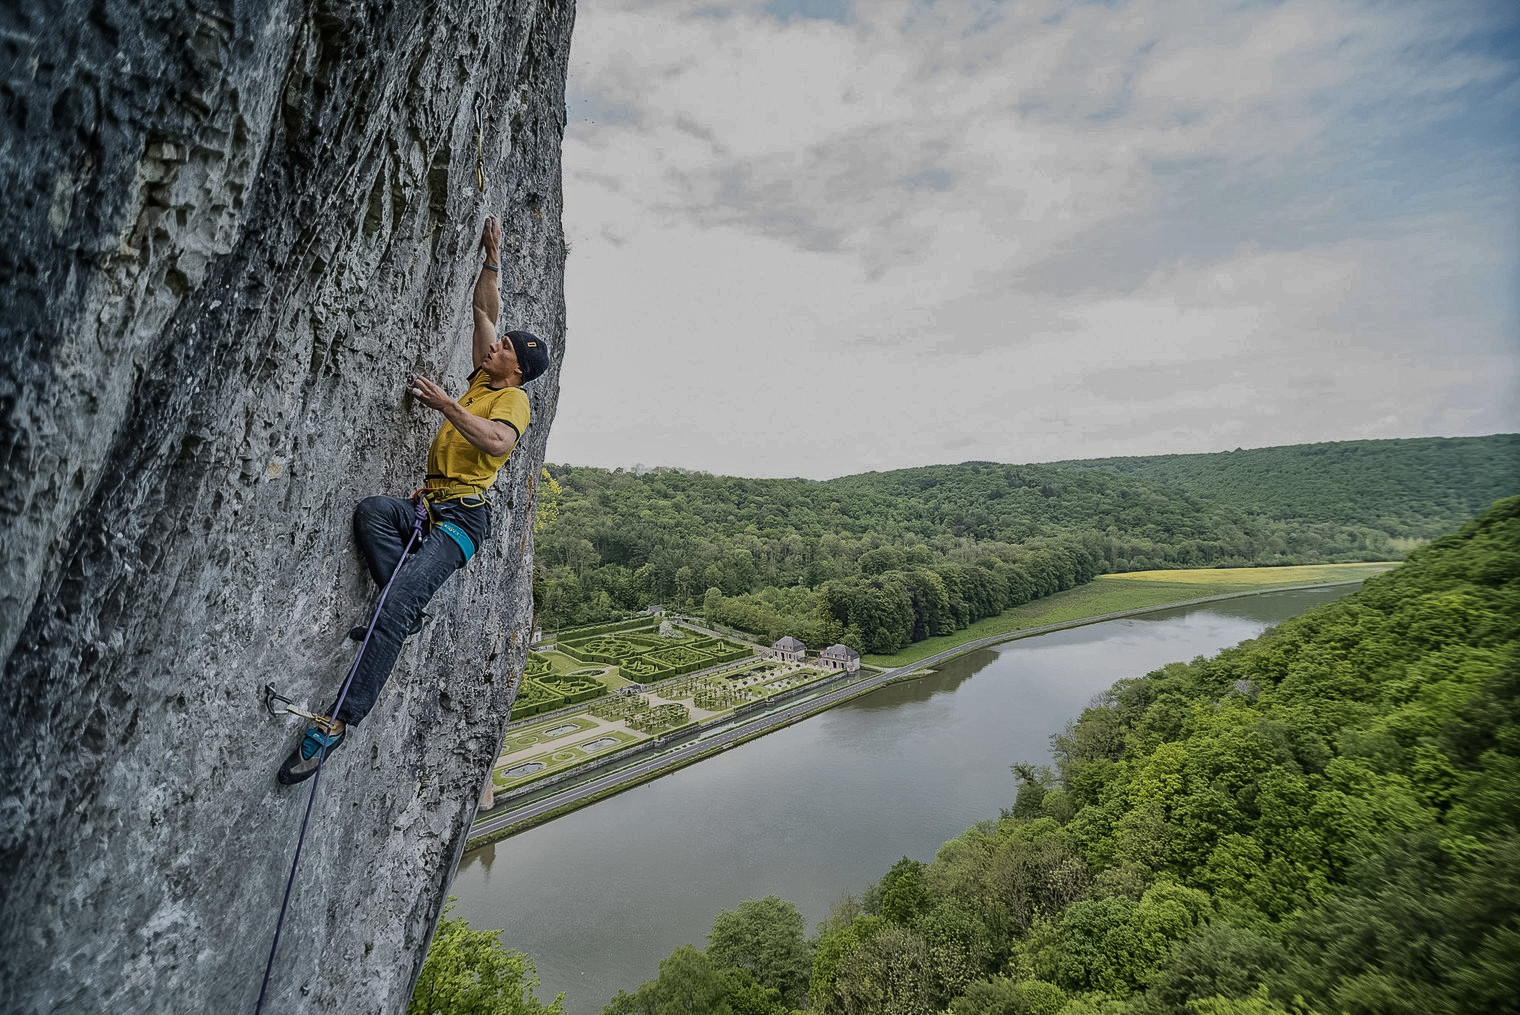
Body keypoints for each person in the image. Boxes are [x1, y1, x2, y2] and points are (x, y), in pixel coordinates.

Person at [278, 215, 549, 785]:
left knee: (393, 609)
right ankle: (402, 610)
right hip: (430, 505)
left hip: (462, 522)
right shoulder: (485, 376)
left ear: (515, 368)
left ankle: (334, 726)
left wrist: (448, 406)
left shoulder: (514, 403)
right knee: (373, 513)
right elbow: (484, 311)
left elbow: (497, 441)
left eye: (504, 348)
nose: (495, 344)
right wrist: (491, 258)